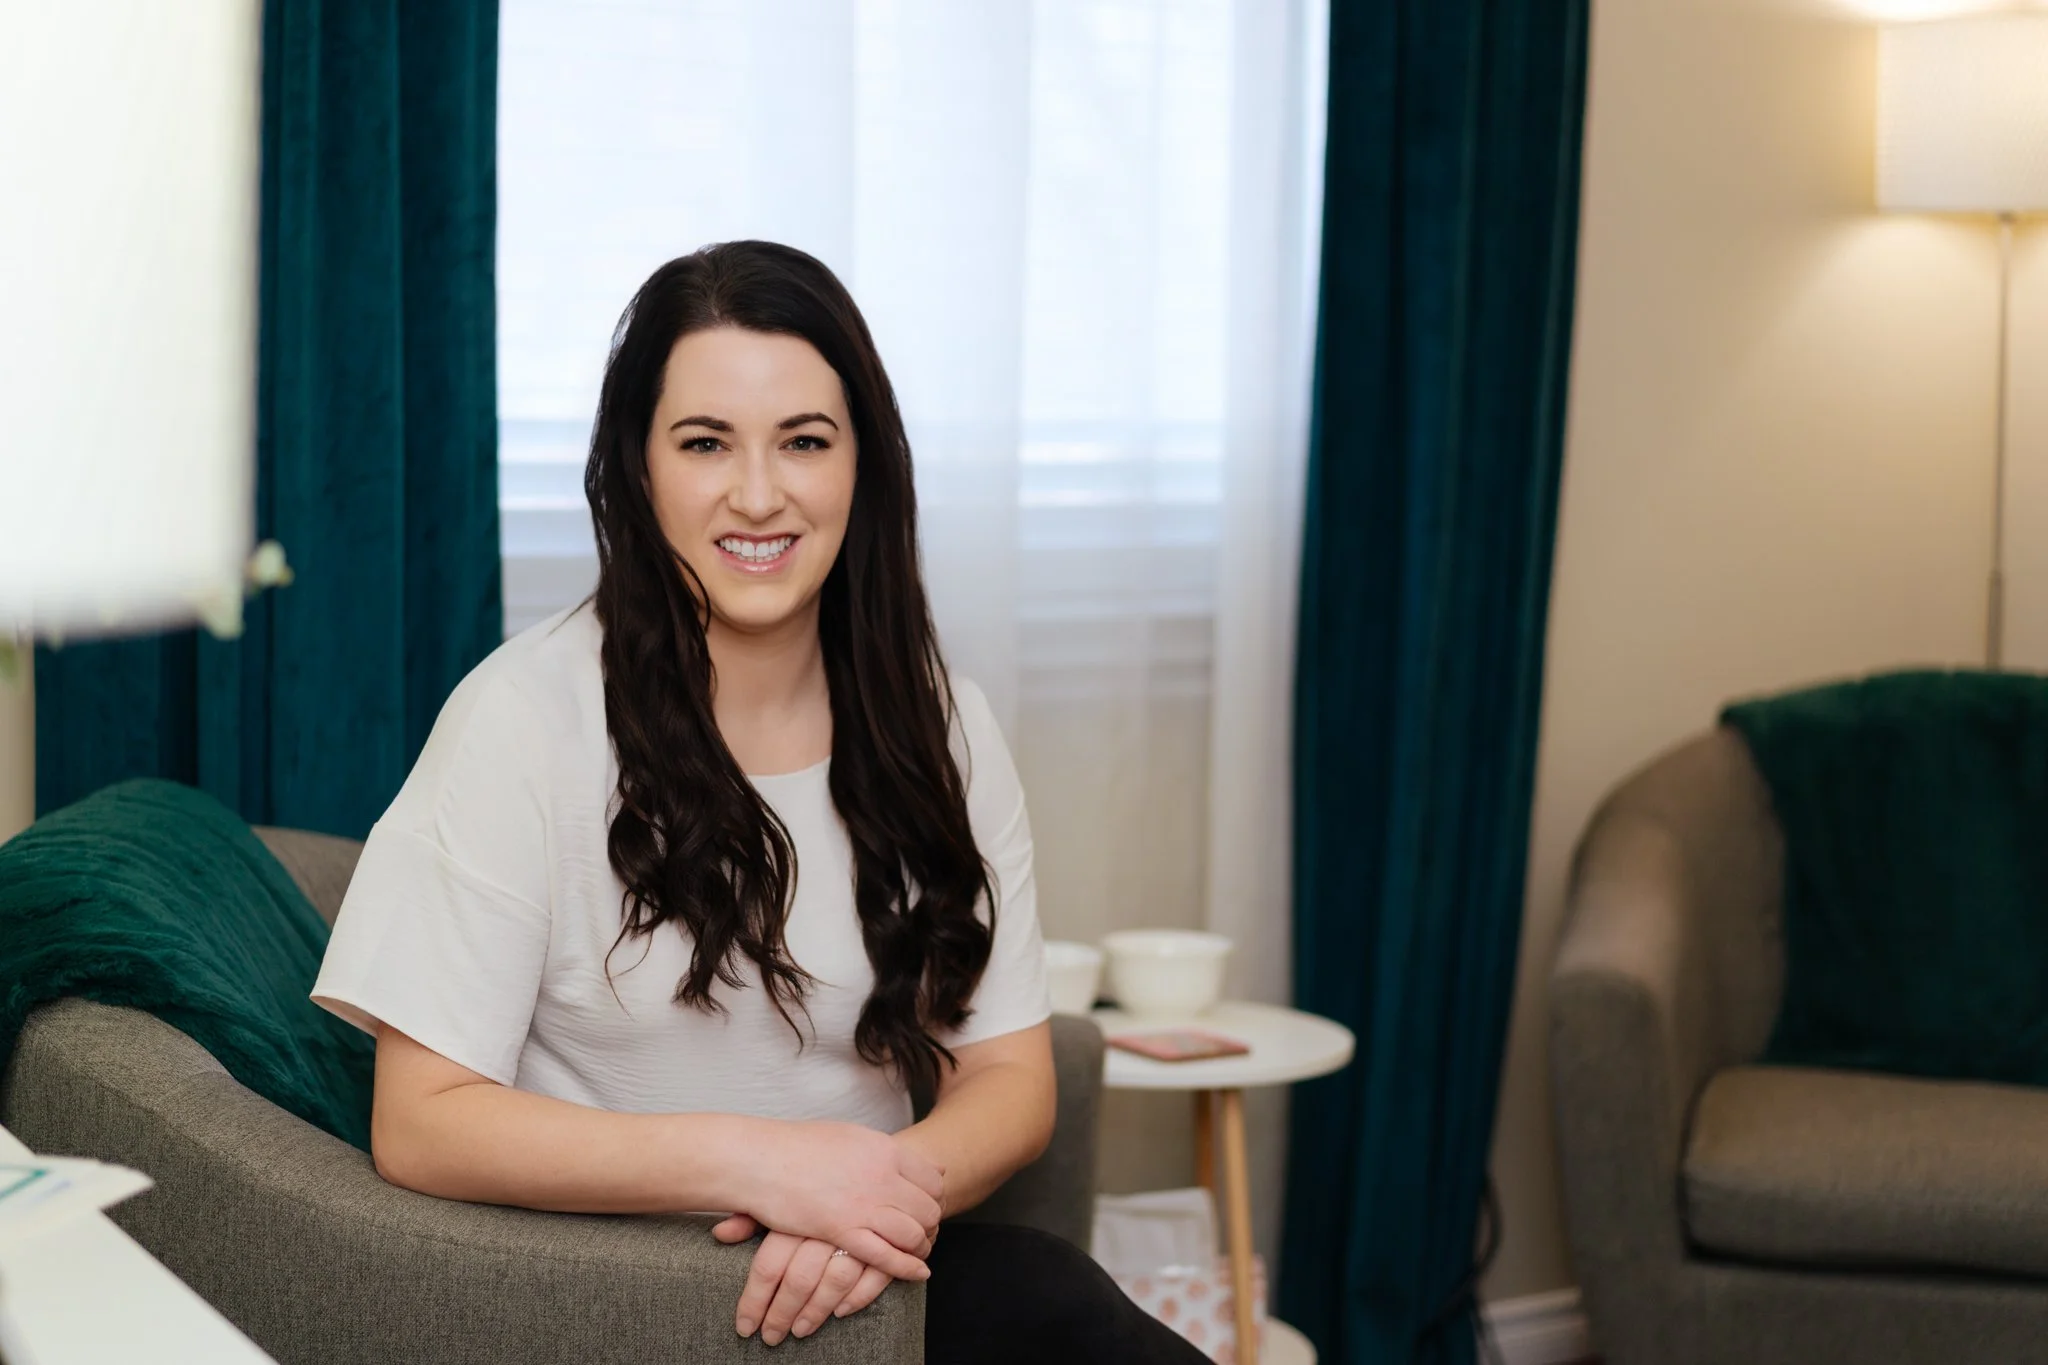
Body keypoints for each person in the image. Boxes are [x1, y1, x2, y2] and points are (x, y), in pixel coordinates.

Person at [312, 240, 1209, 1363]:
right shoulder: (519, 721)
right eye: (704, 443)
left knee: (1045, 1300)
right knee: (1046, 1300)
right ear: (637, 469)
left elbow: (1010, 1076)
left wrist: (867, 1203)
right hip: (611, 1295)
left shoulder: (940, 721)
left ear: (860, 468)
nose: (757, 493)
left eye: (803, 442)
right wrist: (765, 1165)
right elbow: (422, 1120)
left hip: (865, 1287)